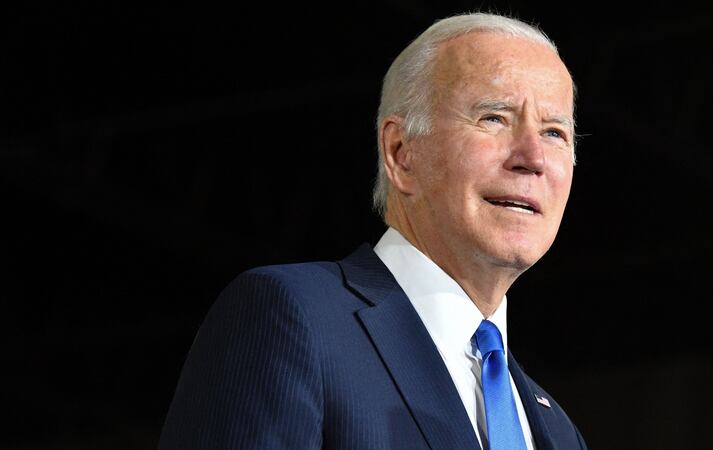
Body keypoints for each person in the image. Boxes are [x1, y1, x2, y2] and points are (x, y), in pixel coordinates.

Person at [158, 12, 587, 450]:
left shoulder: (557, 431)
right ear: (401, 154)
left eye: (555, 132)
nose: (533, 157)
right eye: (493, 118)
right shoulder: (296, 319)